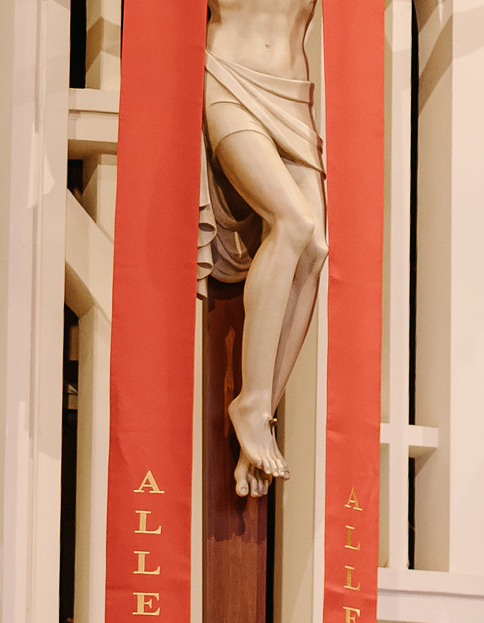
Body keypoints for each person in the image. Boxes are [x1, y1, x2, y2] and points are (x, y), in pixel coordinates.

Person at [201, 0, 326, 496]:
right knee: (293, 222)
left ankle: (261, 412)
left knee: (315, 250)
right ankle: (251, 403)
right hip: (230, 79)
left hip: (294, 96)